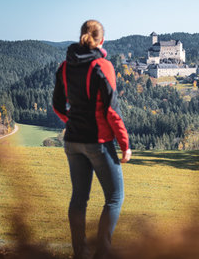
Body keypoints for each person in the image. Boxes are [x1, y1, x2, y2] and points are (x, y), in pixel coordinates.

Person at [53, 20, 131, 259]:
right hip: (97, 141)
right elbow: (112, 111)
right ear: (101, 41)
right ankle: (102, 254)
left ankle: (81, 254)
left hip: (72, 140)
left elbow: (57, 105)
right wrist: (125, 145)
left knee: (79, 198)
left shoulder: (65, 66)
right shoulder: (103, 66)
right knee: (115, 197)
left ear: (81, 37)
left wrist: (73, 121)